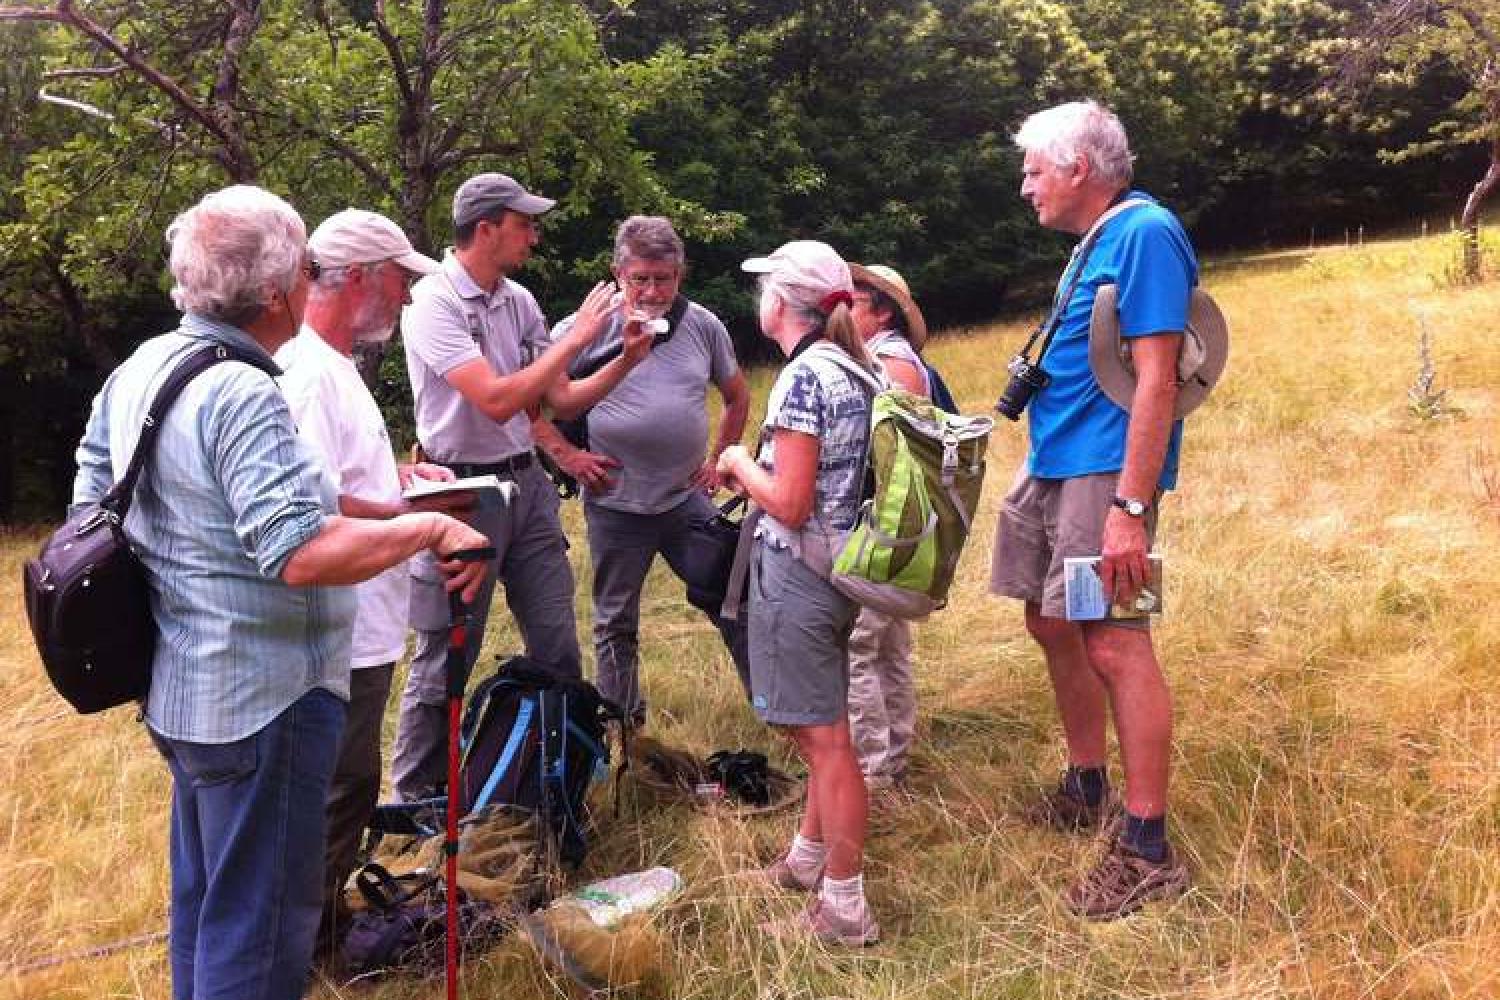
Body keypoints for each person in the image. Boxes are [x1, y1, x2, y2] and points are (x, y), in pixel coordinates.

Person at [70, 185, 488, 1000]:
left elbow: (92, 504)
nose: (312, 277)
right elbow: (300, 550)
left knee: (210, 908)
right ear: (275, 289)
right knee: (260, 936)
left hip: (183, 690)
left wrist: (184, 575)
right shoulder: (242, 389)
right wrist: (430, 528)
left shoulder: (143, 366)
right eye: (305, 265)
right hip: (265, 699)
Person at [990, 100, 1194, 919]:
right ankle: (1085, 784)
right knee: (1050, 621)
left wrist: (1129, 510)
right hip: (1054, 463)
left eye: (1034, 169)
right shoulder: (1094, 242)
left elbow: (1159, 377)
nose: (1025, 186)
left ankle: (1147, 846)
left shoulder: (1146, 232)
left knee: (1115, 640)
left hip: (1105, 476)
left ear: (1079, 168)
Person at [392, 172, 652, 801]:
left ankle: (554, 776)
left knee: (558, 640)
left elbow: (557, 400)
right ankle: (415, 798)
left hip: (527, 487)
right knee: (447, 653)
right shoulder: (433, 304)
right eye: (524, 222)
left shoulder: (519, 300)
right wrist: (580, 338)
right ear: (487, 229)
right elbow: (497, 399)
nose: (534, 235)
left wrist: (622, 360)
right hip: (460, 492)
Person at [274, 208, 478, 954]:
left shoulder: (336, 364)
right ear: (357, 277)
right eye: (397, 279)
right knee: (339, 789)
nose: (403, 297)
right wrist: (408, 509)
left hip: (362, 620)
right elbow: (306, 502)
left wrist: (399, 475)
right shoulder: (304, 371)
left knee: (348, 784)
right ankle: (309, 943)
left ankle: (316, 924)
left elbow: (333, 476)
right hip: (335, 624)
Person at [716, 240, 881, 947]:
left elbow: (787, 501)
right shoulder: (855, 368)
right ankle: (806, 862)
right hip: (840, 572)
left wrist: (736, 462)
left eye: (765, 290)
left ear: (780, 303)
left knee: (826, 743)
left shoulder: (803, 379)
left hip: (800, 575)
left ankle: (845, 908)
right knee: (826, 728)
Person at [544, 216, 751, 721]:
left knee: (730, 600)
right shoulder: (578, 332)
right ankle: (623, 731)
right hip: (615, 503)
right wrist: (567, 456)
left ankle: (775, 706)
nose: (653, 291)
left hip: (685, 499)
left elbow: (737, 396)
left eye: (664, 279)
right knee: (615, 621)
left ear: (680, 275)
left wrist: (719, 460)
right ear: (618, 273)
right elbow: (538, 406)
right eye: (640, 279)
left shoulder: (702, 324)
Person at [844, 263, 930, 797]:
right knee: (888, 645)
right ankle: (895, 755)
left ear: (881, 310)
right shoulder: (897, 359)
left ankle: (871, 774)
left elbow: (883, 458)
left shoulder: (890, 365)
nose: (840, 310)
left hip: (882, 523)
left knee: (858, 645)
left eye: (852, 301)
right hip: (898, 526)